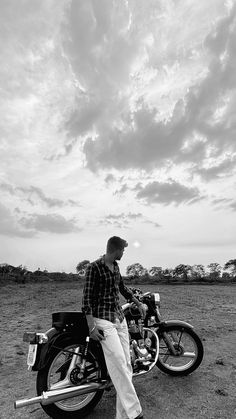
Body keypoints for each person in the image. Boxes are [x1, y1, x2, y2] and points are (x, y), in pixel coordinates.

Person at [82, 236, 146, 419]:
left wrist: (137, 302)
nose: (124, 253)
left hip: (119, 317)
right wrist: (91, 326)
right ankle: (135, 412)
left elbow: (123, 289)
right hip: (102, 319)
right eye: (123, 250)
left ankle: (122, 415)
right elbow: (86, 299)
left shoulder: (116, 267)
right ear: (115, 249)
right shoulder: (94, 267)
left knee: (126, 365)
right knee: (118, 360)